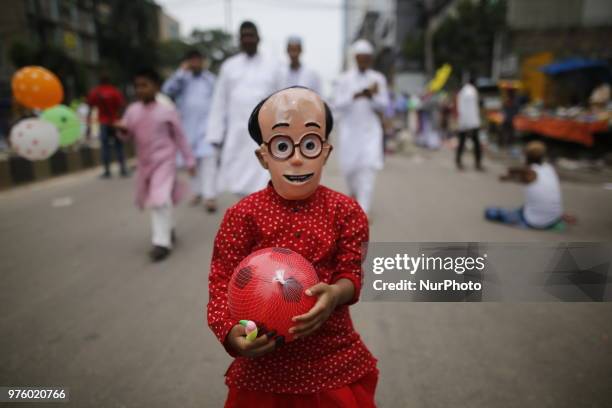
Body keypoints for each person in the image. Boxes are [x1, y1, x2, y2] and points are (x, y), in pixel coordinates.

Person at [207, 87, 378, 407]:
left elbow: (350, 273)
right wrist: (232, 334)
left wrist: (335, 295)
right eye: (283, 146)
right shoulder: (241, 217)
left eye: (310, 145)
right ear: (263, 156)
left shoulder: (347, 212)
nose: (298, 158)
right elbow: (220, 285)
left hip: (331, 360)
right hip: (263, 367)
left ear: (326, 152)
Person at [115, 68, 196, 262]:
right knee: (162, 197)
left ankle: (161, 243)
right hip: (145, 164)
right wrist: (122, 130)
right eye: (137, 86)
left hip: (164, 161)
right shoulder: (132, 110)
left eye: (145, 85)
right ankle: (168, 228)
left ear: (156, 87)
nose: (140, 90)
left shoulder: (166, 111)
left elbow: (180, 137)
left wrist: (189, 160)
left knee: (159, 198)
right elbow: (127, 134)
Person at [205, 21, 282, 197]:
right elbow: (219, 103)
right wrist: (215, 133)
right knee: (239, 186)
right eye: (244, 36)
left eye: (251, 35)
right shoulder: (229, 67)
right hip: (237, 135)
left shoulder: (273, 65)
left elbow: (282, 100)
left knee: (265, 182)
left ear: (258, 38)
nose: (248, 39)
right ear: (239, 40)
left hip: (265, 135)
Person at [333, 39, 389, 215]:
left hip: (370, 133)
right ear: (355, 58)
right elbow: (337, 104)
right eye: (361, 58)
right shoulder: (344, 79)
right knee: (350, 169)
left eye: (367, 58)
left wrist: (372, 96)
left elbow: (384, 104)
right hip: (349, 132)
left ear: (370, 59)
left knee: (367, 169)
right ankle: (354, 194)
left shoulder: (378, 79)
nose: (364, 61)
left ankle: (362, 211)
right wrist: (356, 95)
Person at [162, 49, 218, 212]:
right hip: (187, 127)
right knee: (191, 161)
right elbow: (167, 91)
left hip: (207, 127)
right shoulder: (181, 78)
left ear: (202, 61)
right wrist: (181, 72)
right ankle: (196, 191)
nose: (195, 63)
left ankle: (209, 196)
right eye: (191, 60)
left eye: (197, 60)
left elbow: (219, 100)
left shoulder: (210, 79)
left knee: (208, 160)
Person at [485, 141, 565, 230]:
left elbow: (516, 174)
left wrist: (506, 177)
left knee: (489, 212)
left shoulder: (529, 174)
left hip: (535, 222)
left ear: (527, 156)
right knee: (523, 208)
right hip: (554, 218)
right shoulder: (549, 168)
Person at [86, 74, 128, 178]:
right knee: (119, 146)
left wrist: (88, 125)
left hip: (103, 122)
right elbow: (122, 106)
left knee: (105, 148)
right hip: (115, 122)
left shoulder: (96, 92)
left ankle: (107, 171)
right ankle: (123, 169)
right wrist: (119, 119)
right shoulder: (115, 91)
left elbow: (90, 107)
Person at [455, 76, 482, 170]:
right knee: (476, 143)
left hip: (464, 122)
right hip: (472, 122)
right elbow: (472, 109)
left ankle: (458, 161)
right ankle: (477, 163)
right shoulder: (472, 91)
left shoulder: (463, 91)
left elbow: (461, 108)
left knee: (462, 142)